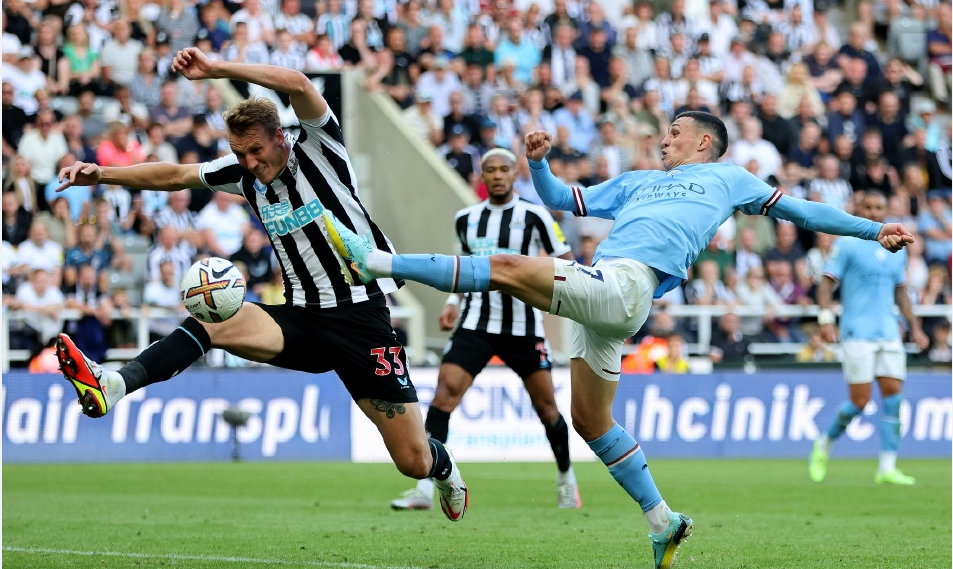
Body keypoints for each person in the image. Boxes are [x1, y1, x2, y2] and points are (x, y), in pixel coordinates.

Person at [323, 111, 915, 569]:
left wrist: (871, 229)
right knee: (591, 421)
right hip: (602, 301)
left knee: (504, 265)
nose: (666, 140)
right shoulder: (638, 181)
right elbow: (562, 201)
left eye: (676, 133)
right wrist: (539, 165)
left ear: (704, 142)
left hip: (626, 286)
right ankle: (662, 521)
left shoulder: (728, 177)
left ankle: (379, 262)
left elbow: (805, 213)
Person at [53, 48, 468, 522]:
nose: (249, 163)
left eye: (256, 150)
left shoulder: (321, 148)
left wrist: (217, 68)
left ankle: (446, 466)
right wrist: (101, 174)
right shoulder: (244, 176)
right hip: (301, 319)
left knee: (411, 459)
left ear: (280, 137)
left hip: (360, 318)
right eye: (239, 154)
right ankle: (115, 382)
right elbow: (173, 175)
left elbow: (297, 83)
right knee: (213, 323)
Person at [390, 148, 581, 513]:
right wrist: (450, 305)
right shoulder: (466, 219)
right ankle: (423, 490)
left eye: (503, 170)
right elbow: (460, 270)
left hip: (524, 327)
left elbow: (566, 263)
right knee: (443, 396)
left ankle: (566, 480)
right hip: (476, 324)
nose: (496, 175)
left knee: (547, 409)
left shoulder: (536, 215)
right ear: (482, 176)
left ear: (513, 174)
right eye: (489, 170)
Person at [809, 191, 930, 486]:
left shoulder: (895, 247)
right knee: (860, 402)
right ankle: (824, 444)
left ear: (886, 210)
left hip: (888, 331)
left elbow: (900, 291)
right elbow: (825, 286)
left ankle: (887, 467)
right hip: (856, 331)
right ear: (859, 209)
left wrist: (914, 326)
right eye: (868, 207)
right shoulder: (847, 244)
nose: (874, 212)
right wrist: (826, 319)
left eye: (879, 207)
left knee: (893, 399)